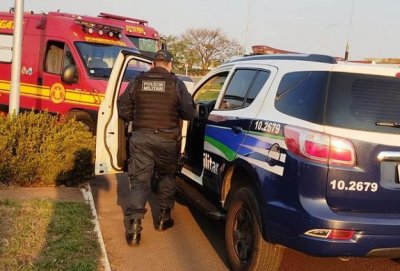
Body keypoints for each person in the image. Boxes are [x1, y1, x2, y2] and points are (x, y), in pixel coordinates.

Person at [117, 49, 196, 246]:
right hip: (167, 140)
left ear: (153, 64)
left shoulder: (138, 81)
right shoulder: (176, 83)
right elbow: (188, 113)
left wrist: (135, 121)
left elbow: (122, 108)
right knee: (167, 176)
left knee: (140, 181)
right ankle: (162, 218)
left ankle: (134, 229)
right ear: (169, 65)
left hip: (141, 138)